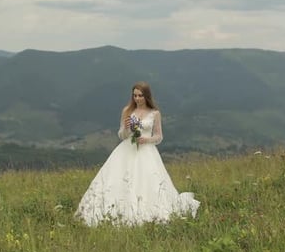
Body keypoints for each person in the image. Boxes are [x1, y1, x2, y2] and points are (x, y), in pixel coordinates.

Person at [75, 81, 200, 226]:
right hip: (127, 149)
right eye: (135, 95)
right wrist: (127, 129)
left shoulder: (155, 113)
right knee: (118, 180)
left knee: (148, 181)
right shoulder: (127, 110)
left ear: (146, 96)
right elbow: (121, 135)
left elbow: (159, 137)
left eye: (140, 95)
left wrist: (146, 139)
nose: (137, 98)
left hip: (146, 150)